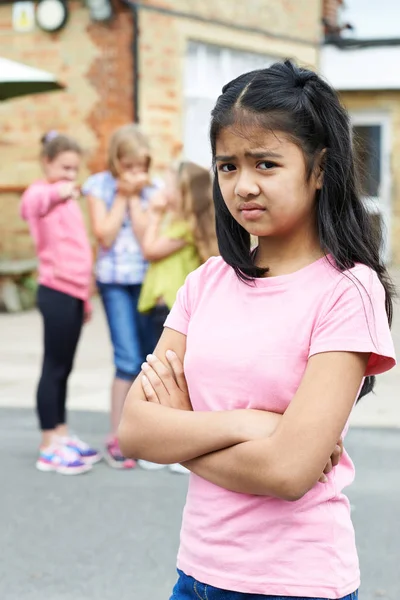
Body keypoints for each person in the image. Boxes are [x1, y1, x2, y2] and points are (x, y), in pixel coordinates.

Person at [118, 60, 396, 599]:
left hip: (296, 581)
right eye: (227, 167)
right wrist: (258, 424)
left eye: (266, 164)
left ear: (319, 168)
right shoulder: (207, 282)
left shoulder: (348, 290)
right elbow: (135, 430)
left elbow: (289, 472)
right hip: (196, 574)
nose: (243, 186)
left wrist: (182, 432)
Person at [21, 131, 101, 475]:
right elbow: (34, 204)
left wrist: (84, 298)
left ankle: (62, 434)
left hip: (73, 294)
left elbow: (79, 249)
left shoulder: (67, 201)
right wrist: (59, 191)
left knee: (64, 368)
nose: (71, 175)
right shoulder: (41, 195)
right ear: (47, 163)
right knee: (53, 367)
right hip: (54, 290)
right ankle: (47, 444)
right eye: (64, 168)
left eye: (74, 170)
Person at [135, 161, 218, 472]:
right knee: (159, 374)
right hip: (158, 308)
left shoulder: (184, 229)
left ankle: (174, 443)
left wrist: (154, 214)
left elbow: (150, 248)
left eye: (168, 187)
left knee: (170, 377)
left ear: (184, 194)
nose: (162, 192)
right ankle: (161, 442)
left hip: (172, 313)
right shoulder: (179, 225)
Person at [82, 124, 157, 469]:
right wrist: (125, 196)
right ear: (116, 162)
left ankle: (147, 434)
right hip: (114, 282)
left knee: (147, 360)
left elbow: (147, 240)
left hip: (146, 282)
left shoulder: (153, 190)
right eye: (129, 167)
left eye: (141, 167)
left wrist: (141, 199)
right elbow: (105, 235)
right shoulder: (99, 187)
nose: (136, 174)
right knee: (126, 359)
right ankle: (117, 435)